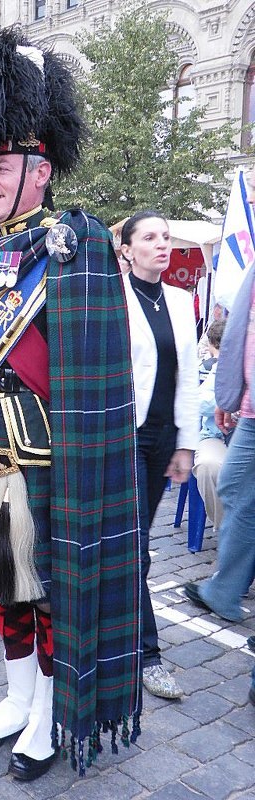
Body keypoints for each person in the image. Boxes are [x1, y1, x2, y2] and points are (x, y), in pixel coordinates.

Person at [0, 29, 141, 781]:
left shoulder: (73, 239)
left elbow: (86, 364)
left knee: (49, 595)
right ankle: (17, 700)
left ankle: (50, 714)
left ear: (40, 168)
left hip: (52, 452)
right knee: (1, 588)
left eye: (0, 165)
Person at [121, 210, 200, 699]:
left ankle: (130, 643)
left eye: (166, 237)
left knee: (138, 540)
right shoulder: (110, 295)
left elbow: (187, 376)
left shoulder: (180, 299)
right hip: (121, 436)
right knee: (131, 546)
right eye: (149, 237)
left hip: (162, 437)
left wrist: (186, 444)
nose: (161, 244)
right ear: (127, 249)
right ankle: (145, 653)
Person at [184, 245, 255, 620]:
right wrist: (230, 395)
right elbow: (241, 338)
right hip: (249, 408)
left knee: (235, 487)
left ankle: (226, 587)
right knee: (233, 486)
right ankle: (226, 589)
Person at [192, 318, 227, 531]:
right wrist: (228, 401)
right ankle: (231, 533)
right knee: (208, 466)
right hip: (217, 435)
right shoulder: (224, 365)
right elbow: (198, 402)